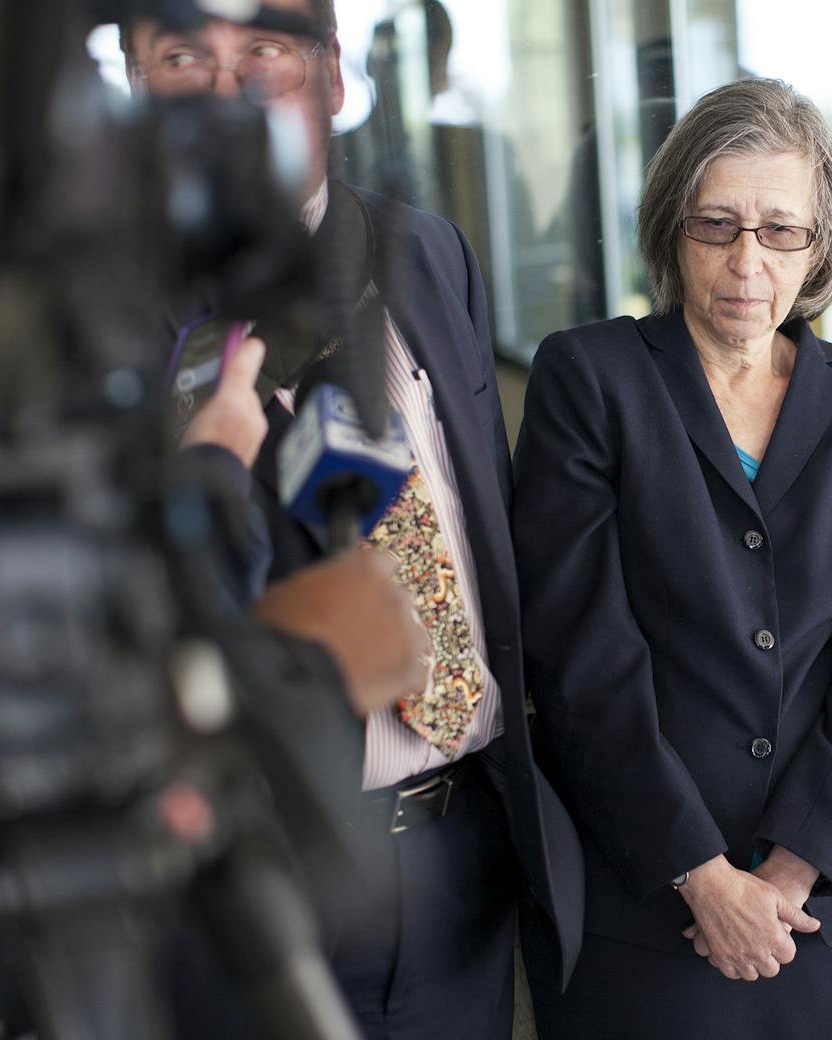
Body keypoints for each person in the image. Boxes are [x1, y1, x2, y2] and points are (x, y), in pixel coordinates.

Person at [121, 3, 585, 1038]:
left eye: (265, 52)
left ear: (331, 76)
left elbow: (489, 541)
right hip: (250, 895)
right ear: (136, 84)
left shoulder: (428, 250)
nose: (228, 86)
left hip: (467, 861)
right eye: (184, 54)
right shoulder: (92, 319)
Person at [511, 77, 832, 1039]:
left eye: (780, 229)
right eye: (718, 226)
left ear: (820, 245)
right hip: (645, 907)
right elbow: (580, 657)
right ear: (673, 232)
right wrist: (701, 875)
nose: (749, 262)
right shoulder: (591, 380)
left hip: (831, 908)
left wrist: (791, 869)